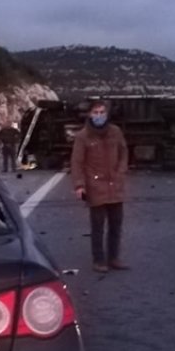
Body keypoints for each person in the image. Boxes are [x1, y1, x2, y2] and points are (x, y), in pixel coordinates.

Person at [71, 101, 130, 273]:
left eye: (102, 112)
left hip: (115, 187)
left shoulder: (115, 132)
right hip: (95, 187)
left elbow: (124, 152)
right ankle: (98, 260)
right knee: (97, 227)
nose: (99, 115)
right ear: (90, 114)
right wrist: (79, 185)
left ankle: (114, 258)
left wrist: (121, 172)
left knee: (116, 225)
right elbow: (77, 162)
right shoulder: (83, 136)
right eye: (95, 112)